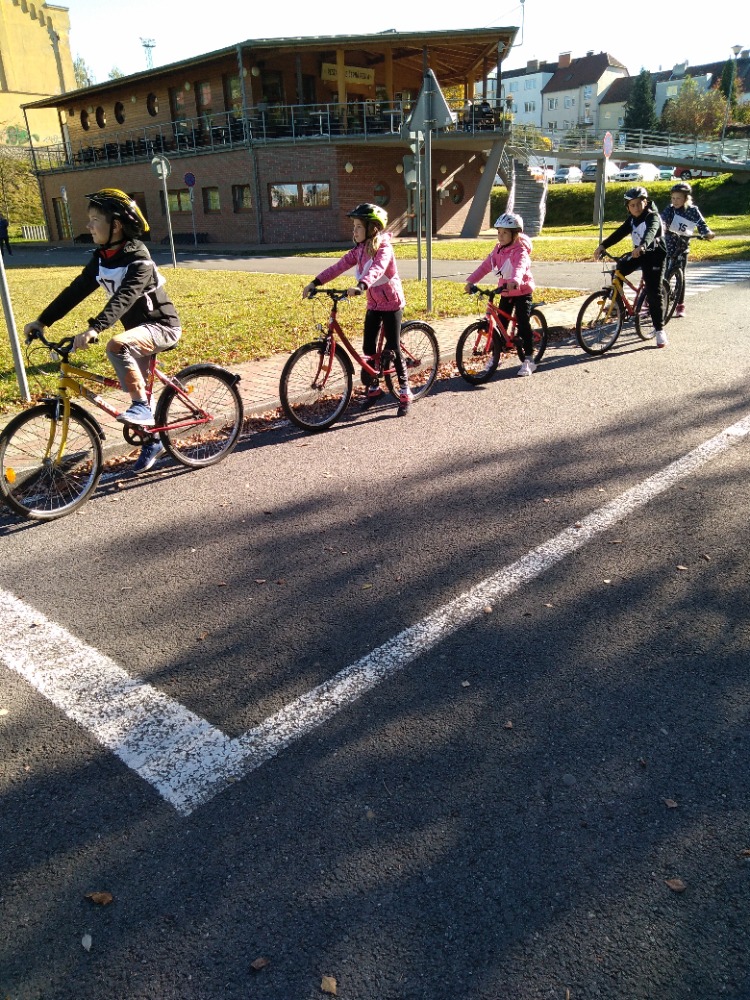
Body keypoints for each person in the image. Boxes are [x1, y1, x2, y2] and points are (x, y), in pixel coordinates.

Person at [23, 188, 182, 473]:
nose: (89, 225)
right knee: (134, 380)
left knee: (116, 346)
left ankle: (142, 410)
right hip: (137, 332)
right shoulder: (103, 257)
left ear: (116, 225)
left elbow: (124, 297)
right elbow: (77, 290)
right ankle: (153, 440)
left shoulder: (139, 258)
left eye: (95, 219)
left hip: (162, 327)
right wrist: (43, 321)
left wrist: (95, 328)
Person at [302, 203, 412, 416]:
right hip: (374, 303)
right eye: (354, 227)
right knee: (369, 347)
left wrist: (362, 285)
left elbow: (378, 269)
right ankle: (374, 389)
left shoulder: (384, 248)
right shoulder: (358, 250)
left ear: (372, 228)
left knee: (393, 348)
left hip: (392, 303)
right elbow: (338, 266)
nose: (354, 231)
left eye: (358, 226)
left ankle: (405, 391)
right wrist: (315, 282)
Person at [464, 211, 538, 376]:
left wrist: (515, 280)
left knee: (523, 322)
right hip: (506, 291)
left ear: (515, 234)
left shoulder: (520, 251)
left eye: (505, 233)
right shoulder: (497, 250)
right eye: (499, 232)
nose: (501, 236)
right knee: (501, 326)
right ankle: (496, 356)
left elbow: (520, 267)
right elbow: (485, 266)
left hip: (522, 291)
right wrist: (471, 282)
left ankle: (529, 359)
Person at [594, 185, 668, 347]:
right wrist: (603, 246)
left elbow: (651, 232)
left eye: (639, 203)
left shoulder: (652, 216)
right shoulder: (632, 219)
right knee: (618, 269)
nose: (636, 208)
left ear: (645, 202)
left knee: (653, 292)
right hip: (638, 253)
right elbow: (619, 233)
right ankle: (618, 306)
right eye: (632, 205)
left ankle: (659, 330)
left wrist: (642, 246)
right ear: (628, 207)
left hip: (654, 256)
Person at [660, 181, 714, 318]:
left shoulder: (692, 210)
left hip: (682, 247)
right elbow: (662, 221)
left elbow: (701, 224)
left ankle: (680, 305)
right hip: (668, 245)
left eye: (678, 198)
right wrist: (662, 227)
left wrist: (707, 233)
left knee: (681, 276)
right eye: (673, 198)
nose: (675, 201)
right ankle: (655, 300)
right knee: (662, 274)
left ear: (686, 198)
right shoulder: (669, 209)